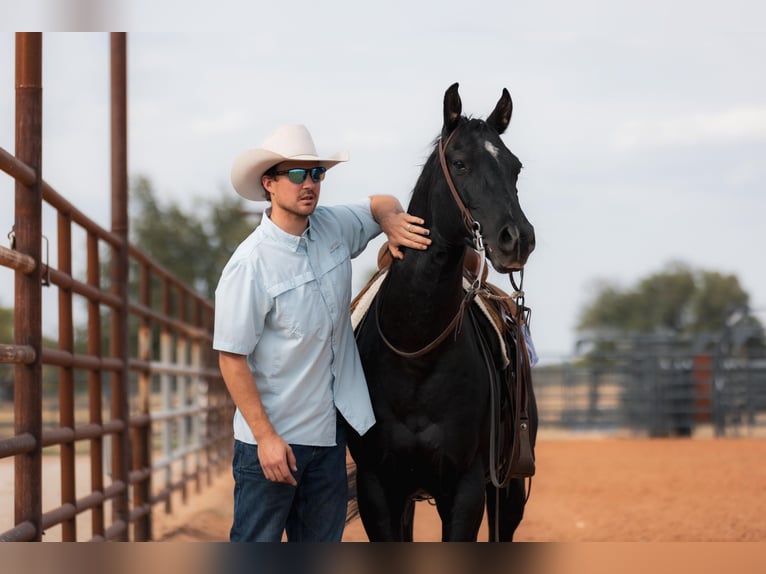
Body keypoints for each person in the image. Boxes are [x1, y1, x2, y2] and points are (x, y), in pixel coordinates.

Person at [213, 124, 431, 542]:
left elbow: (381, 202)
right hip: (273, 447)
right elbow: (231, 357)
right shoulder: (250, 266)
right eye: (296, 175)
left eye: (316, 173)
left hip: (328, 441)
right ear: (269, 184)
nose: (309, 184)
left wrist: (391, 222)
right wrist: (266, 439)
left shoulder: (333, 226)